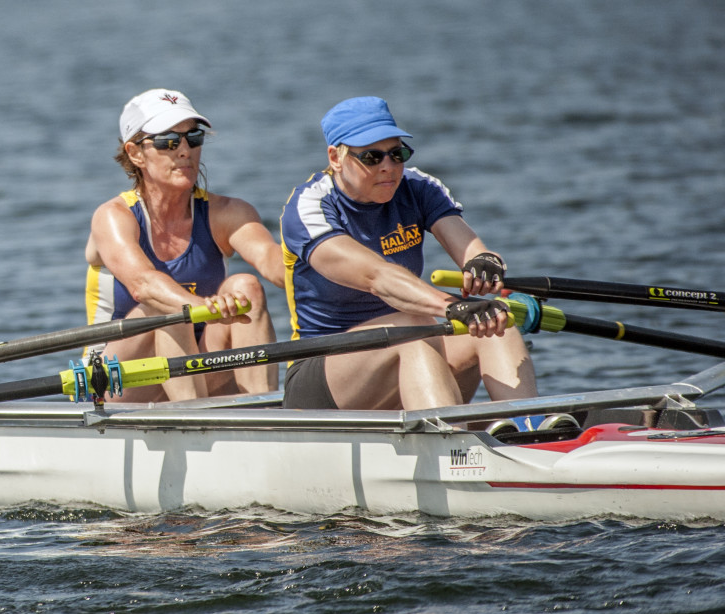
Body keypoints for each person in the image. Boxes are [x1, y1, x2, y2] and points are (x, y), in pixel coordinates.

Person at [280, 96, 537, 411]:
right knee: (413, 326)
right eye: (372, 157)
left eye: (397, 153)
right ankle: (450, 444)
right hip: (323, 375)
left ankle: (530, 433)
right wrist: (453, 307)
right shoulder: (310, 207)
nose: (388, 167)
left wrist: (484, 262)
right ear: (335, 157)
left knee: (497, 318)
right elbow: (378, 277)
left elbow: (467, 245)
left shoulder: (418, 187)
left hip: (408, 348)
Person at [85, 89, 284, 402]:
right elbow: (144, 286)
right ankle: (195, 422)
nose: (184, 151)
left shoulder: (228, 213)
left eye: (193, 137)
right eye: (168, 141)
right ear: (136, 153)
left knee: (246, 286)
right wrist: (202, 308)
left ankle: (264, 415)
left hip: (196, 363)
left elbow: (272, 261)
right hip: (116, 380)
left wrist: (333, 269)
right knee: (163, 305)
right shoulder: (113, 216)